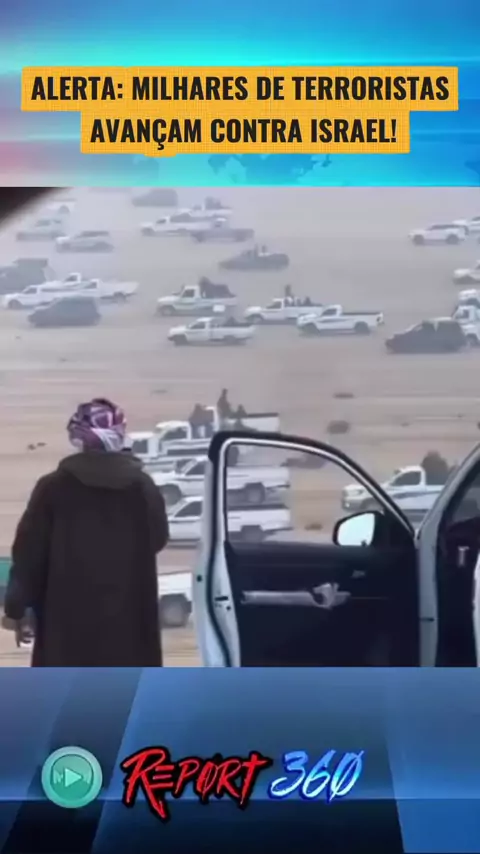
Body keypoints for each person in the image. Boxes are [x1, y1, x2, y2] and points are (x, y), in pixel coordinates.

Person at [4, 398, 169, 667]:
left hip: (65, 633)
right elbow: (158, 539)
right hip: (129, 632)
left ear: (78, 437)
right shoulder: (143, 487)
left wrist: (16, 609)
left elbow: (28, 555)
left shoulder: (53, 488)